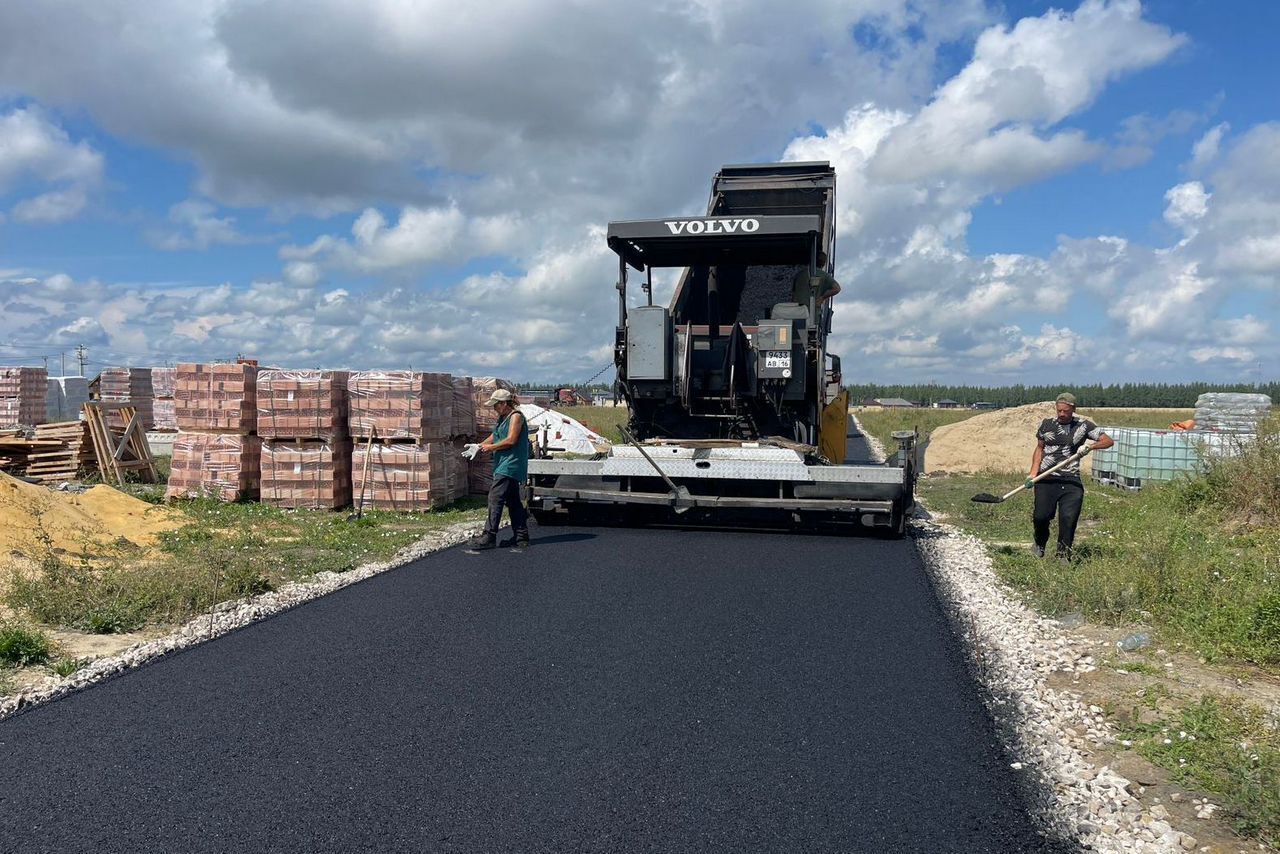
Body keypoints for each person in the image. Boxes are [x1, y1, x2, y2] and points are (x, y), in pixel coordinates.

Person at [1027, 393, 1114, 561]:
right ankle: (1040, 543)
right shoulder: (1046, 425)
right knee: (1041, 516)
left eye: (1065, 411)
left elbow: (1108, 441)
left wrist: (1090, 446)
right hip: (1046, 478)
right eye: (1059, 410)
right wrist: (1032, 473)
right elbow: (1039, 449)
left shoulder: (1084, 426)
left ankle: (1063, 554)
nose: (1061, 414)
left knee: (1068, 517)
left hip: (1071, 479)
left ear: (1073, 409)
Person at [465, 389, 531, 553]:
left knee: (495, 497)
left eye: (495, 405)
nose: (494, 408)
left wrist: (489, 448)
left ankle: (489, 536)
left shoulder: (516, 416)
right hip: (503, 463)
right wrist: (479, 446)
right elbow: (495, 436)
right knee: (513, 500)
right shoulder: (503, 418)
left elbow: (511, 440)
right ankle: (521, 536)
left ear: (503, 403)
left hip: (511, 464)